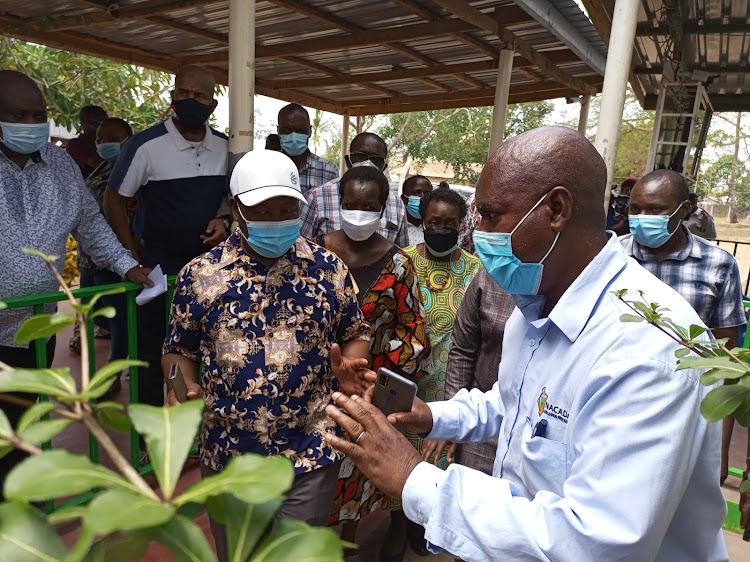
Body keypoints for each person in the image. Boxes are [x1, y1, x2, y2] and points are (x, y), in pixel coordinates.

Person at [323, 126, 728, 561]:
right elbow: (515, 403)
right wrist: (429, 416)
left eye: (491, 216)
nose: (478, 232)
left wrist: (413, 477)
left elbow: (599, 543)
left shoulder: (644, 351)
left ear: (556, 209)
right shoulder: (537, 302)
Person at [162, 149, 372, 562]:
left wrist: (351, 364)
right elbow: (177, 351)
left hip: (310, 448)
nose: (277, 220)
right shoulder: (200, 275)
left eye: (286, 209)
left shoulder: (329, 269)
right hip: (228, 452)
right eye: (263, 211)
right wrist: (177, 386)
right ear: (236, 207)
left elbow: (355, 331)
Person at [0, 70, 152, 498]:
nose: (31, 124)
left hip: (35, 330)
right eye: (18, 114)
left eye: (38, 115)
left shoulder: (61, 165)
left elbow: (92, 227)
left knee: (20, 428)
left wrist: (128, 267)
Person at [313, 166, 431, 552]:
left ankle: (341, 552)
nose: (358, 213)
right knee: (306, 485)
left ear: (383, 209)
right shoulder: (313, 253)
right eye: (350, 205)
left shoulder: (399, 264)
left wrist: (377, 372)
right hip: (309, 391)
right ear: (339, 205)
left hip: (365, 396)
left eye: (368, 206)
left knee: (350, 485)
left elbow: (413, 332)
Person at [621, 169, 747, 527]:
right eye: (635, 209)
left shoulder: (717, 266)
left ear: (686, 209)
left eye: (656, 210)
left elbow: (727, 367)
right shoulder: (610, 257)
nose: (643, 219)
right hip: (616, 405)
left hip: (682, 416)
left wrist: (717, 453)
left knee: (672, 520)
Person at [103, 65, 230, 409]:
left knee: (205, 347)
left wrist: (222, 218)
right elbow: (113, 198)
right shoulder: (145, 145)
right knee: (153, 350)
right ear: (173, 97)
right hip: (157, 270)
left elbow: (229, 196)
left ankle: (194, 423)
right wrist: (131, 255)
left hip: (207, 270)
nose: (190, 101)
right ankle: (149, 435)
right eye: (183, 93)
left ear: (213, 105)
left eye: (199, 95)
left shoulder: (224, 147)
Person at [391, 188, 481, 558]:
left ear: (461, 227)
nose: (441, 229)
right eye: (433, 223)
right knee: (398, 465)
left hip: (453, 388)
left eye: (449, 224)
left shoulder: (477, 271)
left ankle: (431, 530)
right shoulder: (400, 262)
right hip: (405, 384)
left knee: (441, 466)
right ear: (421, 223)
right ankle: (400, 530)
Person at [421, 268, 515, 475]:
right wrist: (450, 417)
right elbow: (463, 349)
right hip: (479, 424)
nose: (479, 235)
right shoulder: (489, 277)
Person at [69, 117, 136, 395]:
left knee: (120, 318)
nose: (102, 143)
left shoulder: (131, 172)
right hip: (89, 258)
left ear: (127, 139)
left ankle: (113, 373)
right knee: (93, 315)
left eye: (110, 137)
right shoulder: (99, 168)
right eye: (99, 137)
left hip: (117, 258)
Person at [300, 132, 408, 247]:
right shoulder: (317, 197)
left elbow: (401, 252)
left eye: (376, 159)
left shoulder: (396, 205)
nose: (368, 163)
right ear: (348, 160)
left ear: (384, 167)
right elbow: (302, 247)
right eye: (360, 156)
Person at [277, 103, 338, 194]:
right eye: (286, 130)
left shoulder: (328, 171)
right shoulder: (266, 168)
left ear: (310, 131)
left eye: (300, 131)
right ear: (278, 131)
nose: (294, 136)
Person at [66, 105, 108, 179]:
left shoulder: (109, 142)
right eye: (92, 120)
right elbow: (96, 163)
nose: (98, 123)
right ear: (83, 123)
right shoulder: (75, 144)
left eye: (103, 120)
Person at [400, 175, 433, 245]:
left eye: (427, 194)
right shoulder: (396, 228)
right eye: (416, 193)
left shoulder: (434, 228)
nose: (422, 197)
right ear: (403, 198)